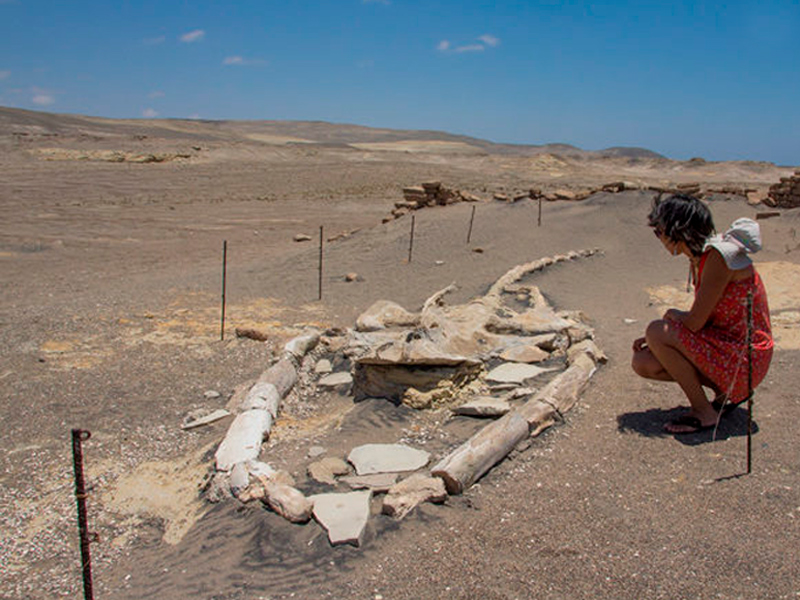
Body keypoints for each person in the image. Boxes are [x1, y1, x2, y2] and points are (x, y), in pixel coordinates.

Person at [631, 194, 773, 434]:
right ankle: (723, 394)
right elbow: (704, 319)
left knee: (657, 329)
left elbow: (695, 322)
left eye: (660, 232)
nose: (660, 238)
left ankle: (703, 412)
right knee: (644, 362)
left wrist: (671, 318)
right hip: (728, 347)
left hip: (745, 358)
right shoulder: (701, 258)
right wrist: (664, 336)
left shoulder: (718, 257)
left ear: (679, 229)